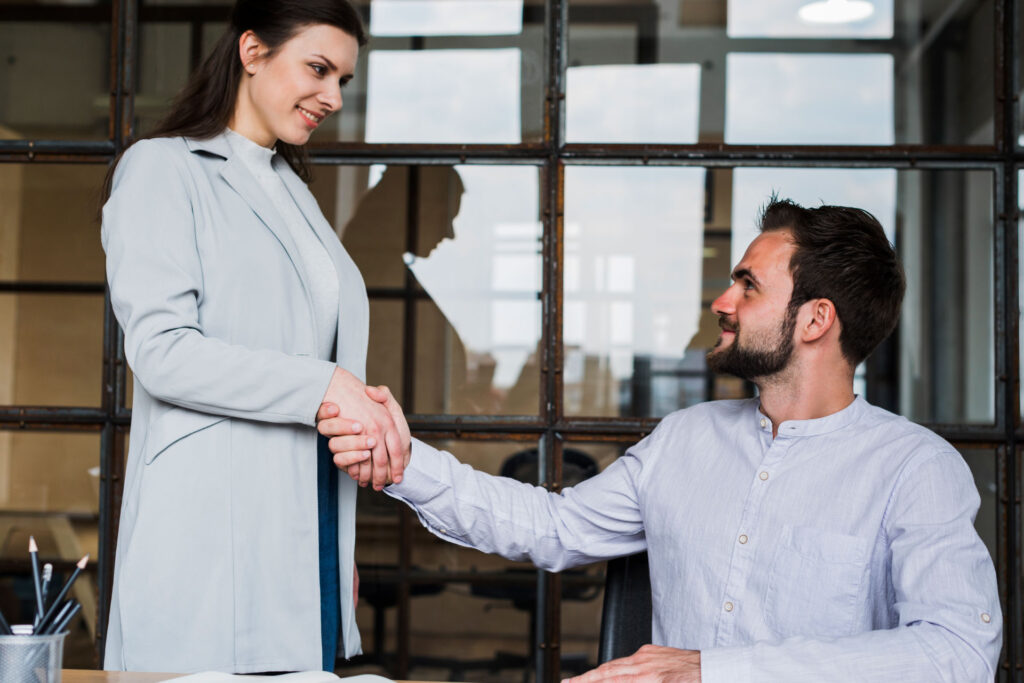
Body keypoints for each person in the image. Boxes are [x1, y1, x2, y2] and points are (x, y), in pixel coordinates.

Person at [319, 199, 1002, 681]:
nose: (721, 301)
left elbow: (957, 651)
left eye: (748, 285)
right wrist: (402, 461)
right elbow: (552, 525)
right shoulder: (685, 438)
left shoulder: (916, 469)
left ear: (816, 319)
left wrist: (710, 671)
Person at [100, 0, 408, 673]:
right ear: (252, 51)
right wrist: (328, 385)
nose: (332, 97)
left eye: (343, 82)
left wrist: (339, 545)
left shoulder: (292, 190)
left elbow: (319, 356)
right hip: (209, 546)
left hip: (308, 537)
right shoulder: (162, 168)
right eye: (318, 69)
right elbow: (162, 352)